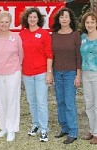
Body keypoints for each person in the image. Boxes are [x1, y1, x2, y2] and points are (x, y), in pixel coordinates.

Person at [0, 11, 23, 142]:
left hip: (13, 72)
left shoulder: (16, 37)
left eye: (6, 22)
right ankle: (3, 127)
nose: (4, 24)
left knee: (12, 100)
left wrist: (17, 68)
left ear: (10, 23)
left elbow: (21, 55)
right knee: (1, 100)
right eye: (1, 22)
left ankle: (11, 129)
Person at [20, 8, 53, 142]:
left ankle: (44, 129)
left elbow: (49, 54)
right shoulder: (22, 34)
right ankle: (35, 124)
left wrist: (49, 73)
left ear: (39, 19)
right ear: (26, 19)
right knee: (31, 101)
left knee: (41, 102)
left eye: (34, 17)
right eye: (30, 17)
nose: (32, 19)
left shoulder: (44, 34)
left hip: (41, 72)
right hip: (27, 73)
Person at [51, 8, 81, 144]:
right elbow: (51, 56)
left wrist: (78, 75)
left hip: (70, 73)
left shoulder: (76, 35)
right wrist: (51, 73)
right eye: (61, 17)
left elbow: (78, 56)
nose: (64, 19)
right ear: (58, 19)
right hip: (57, 72)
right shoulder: (54, 35)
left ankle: (73, 131)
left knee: (69, 103)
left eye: (67, 17)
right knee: (60, 101)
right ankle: (64, 128)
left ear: (71, 19)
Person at [80, 12, 97, 144]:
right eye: (87, 22)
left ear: (96, 23)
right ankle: (92, 130)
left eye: (92, 22)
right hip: (86, 74)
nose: (90, 24)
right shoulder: (83, 37)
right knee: (89, 104)